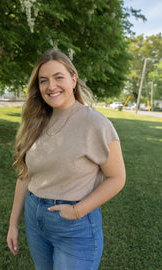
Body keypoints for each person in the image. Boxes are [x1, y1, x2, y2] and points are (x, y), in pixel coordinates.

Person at [7, 49, 126, 270]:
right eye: (44, 81)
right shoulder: (36, 121)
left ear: (73, 80)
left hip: (75, 226)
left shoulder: (95, 124)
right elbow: (25, 176)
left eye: (58, 77)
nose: (51, 86)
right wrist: (13, 224)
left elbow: (117, 178)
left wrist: (77, 211)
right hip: (35, 218)